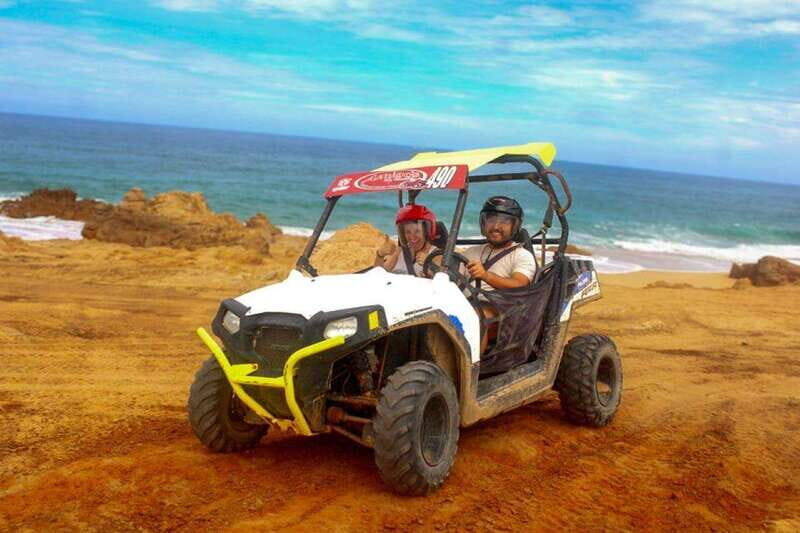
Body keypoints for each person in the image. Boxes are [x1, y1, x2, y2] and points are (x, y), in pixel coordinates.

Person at [462, 196, 536, 354]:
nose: (496, 226)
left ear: (514, 226)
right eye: (491, 220)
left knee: (474, 318)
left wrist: (486, 276)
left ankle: (470, 372)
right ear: (483, 223)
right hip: (466, 301)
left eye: (504, 221)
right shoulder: (472, 252)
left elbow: (520, 284)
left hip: (502, 309)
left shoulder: (522, 255)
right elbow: (452, 277)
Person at [374, 204, 439, 277]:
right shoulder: (400, 250)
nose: (412, 237)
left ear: (426, 232)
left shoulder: (436, 254)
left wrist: (430, 264)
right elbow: (379, 274)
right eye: (408, 232)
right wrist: (380, 255)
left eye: (417, 231)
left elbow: (446, 280)